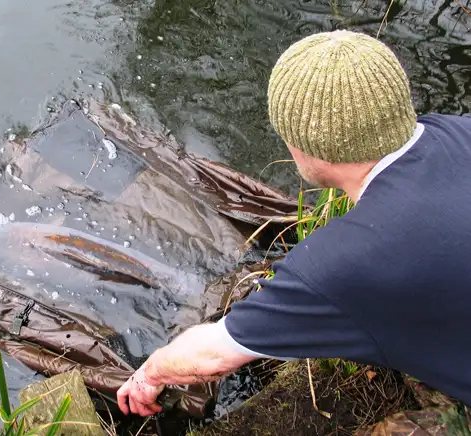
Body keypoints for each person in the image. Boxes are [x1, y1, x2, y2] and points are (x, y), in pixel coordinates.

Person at [116, 29, 471, 417]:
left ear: (309, 145)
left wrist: (149, 373)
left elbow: (213, 353)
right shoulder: (458, 129)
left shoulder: (345, 262)